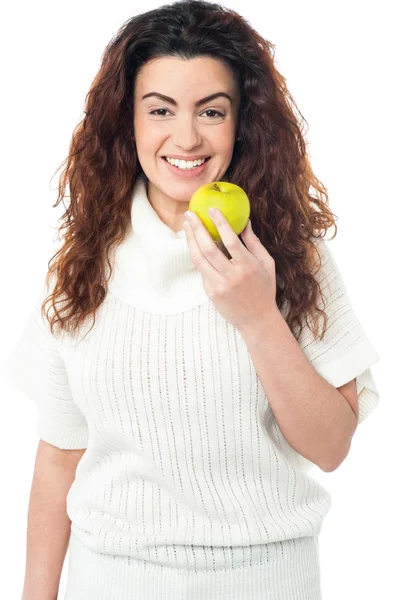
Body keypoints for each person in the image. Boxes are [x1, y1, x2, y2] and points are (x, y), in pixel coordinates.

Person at [1, 1, 380, 599]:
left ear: (242, 123)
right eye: (160, 110)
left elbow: (332, 447)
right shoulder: (84, 263)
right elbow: (59, 455)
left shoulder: (291, 256)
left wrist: (257, 314)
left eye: (211, 111)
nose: (187, 137)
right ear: (128, 122)